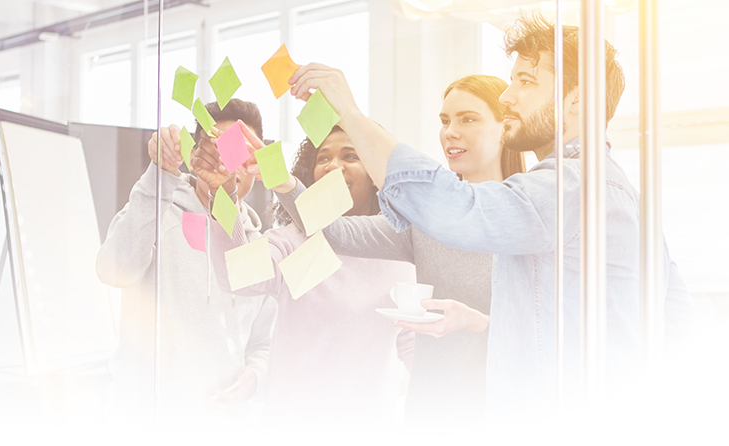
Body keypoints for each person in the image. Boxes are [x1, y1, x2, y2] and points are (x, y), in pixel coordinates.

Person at [285, 15, 695, 417]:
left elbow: (460, 209)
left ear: (577, 100)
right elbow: (674, 318)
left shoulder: (572, 187)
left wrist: (352, 116)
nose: (508, 96)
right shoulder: (616, 192)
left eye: (527, 81)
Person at [270, 75, 524, 426]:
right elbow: (337, 231)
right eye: (445, 121)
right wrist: (282, 180)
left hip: (498, 412)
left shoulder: (527, 217)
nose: (450, 131)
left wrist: (480, 323)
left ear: (506, 127)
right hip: (428, 416)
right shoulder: (426, 220)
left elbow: (552, 336)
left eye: (468, 118)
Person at [196, 123, 415, 429]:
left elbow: (415, 349)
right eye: (322, 158)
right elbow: (236, 276)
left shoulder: (401, 253)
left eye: (350, 156)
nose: (332, 166)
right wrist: (224, 193)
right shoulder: (293, 241)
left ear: (378, 174)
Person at [95, 99, 278, 429]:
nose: (226, 161)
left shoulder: (261, 247)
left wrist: (254, 380)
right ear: (196, 156)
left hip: (222, 426)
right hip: (145, 423)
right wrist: (160, 175)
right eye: (217, 148)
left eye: (240, 150)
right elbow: (113, 270)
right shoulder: (158, 209)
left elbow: (262, 344)